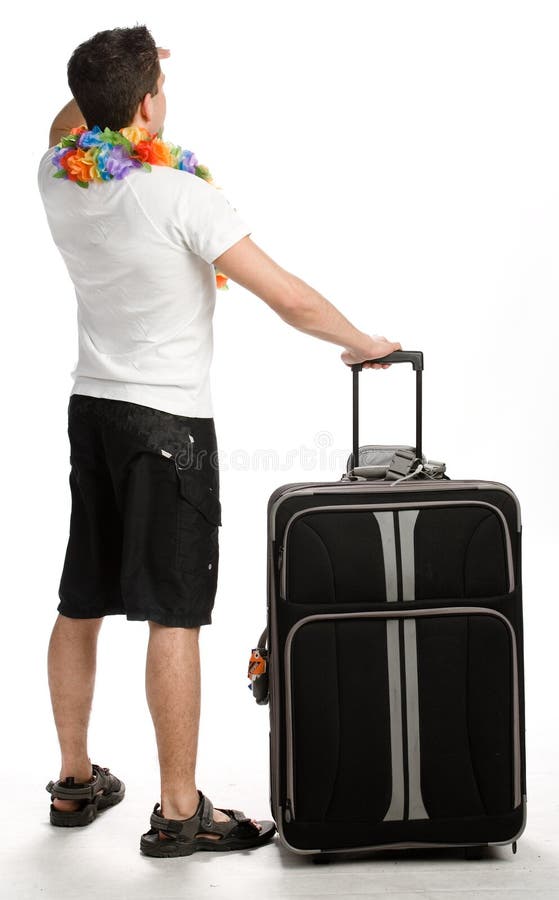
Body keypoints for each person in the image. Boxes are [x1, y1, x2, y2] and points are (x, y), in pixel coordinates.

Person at [37, 24, 401, 859]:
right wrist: (360, 344)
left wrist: (112, 77)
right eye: (154, 89)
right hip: (169, 428)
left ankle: (73, 780)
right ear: (146, 106)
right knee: (173, 612)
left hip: (92, 413)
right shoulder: (178, 195)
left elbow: (67, 122)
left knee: (82, 597)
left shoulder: (59, 173)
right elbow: (288, 298)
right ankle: (178, 812)